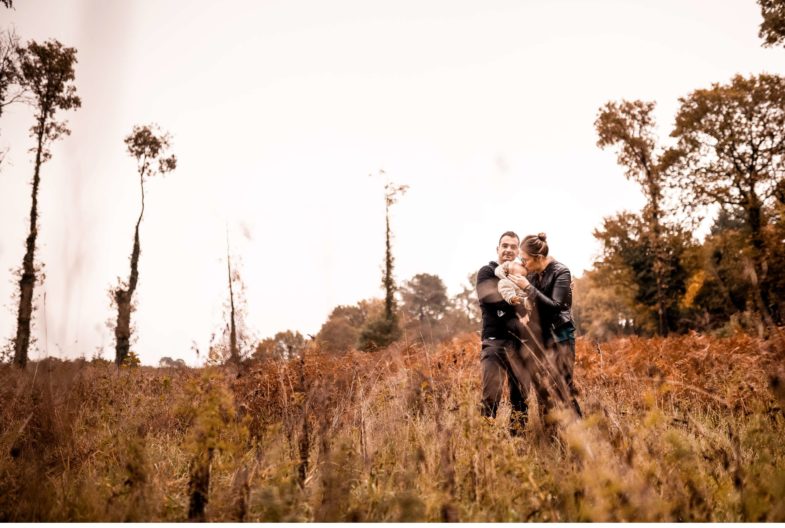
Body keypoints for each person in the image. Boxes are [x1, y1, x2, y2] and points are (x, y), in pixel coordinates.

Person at [508, 233, 582, 418]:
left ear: (539, 258)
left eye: (525, 260)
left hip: (560, 336)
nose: (523, 264)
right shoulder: (532, 275)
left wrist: (528, 289)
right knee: (544, 389)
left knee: (563, 388)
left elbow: (556, 307)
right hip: (541, 338)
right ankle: (550, 438)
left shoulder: (561, 272)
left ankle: (581, 435)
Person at [475, 231, 537, 434]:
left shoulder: (524, 274)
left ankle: (517, 443)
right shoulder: (487, 272)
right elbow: (491, 302)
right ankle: (485, 445)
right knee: (490, 396)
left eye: (513, 246)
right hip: (494, 342)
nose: (509, 250)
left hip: (521, 343)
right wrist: (521, 307)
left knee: (520, 398)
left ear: (518, 250)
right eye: (505, 245)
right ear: (498, 249)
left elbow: (538, 301)